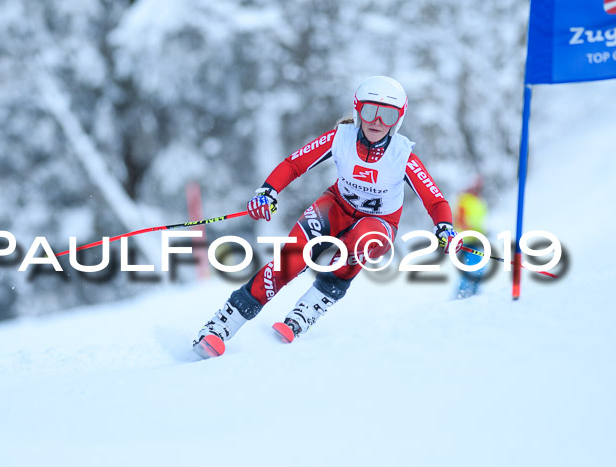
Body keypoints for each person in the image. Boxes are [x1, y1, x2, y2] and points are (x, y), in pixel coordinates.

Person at [193, 76, 463, 358]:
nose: (378, 121)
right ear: (358, 109)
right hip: (336, 206)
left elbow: (434, 199)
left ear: (399, 119)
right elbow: (294, 163)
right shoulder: (340, 138)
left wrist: (444, 227)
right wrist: (267, 192)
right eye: (370, 110)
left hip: (379, 222)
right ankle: (220, 326)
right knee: (290, 260)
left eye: (389, 115)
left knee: (363, 240)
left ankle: (308, 308)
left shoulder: (402, 154)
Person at [454, 177, 489, 299]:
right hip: (466, 239)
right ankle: (461, 294)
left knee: (480, 267)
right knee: (469, 268)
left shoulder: (479, 201)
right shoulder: (464, 199)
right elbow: (460, 219)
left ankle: (474, 293)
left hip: (477, 239)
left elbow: (479, 221)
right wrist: (471, 228)